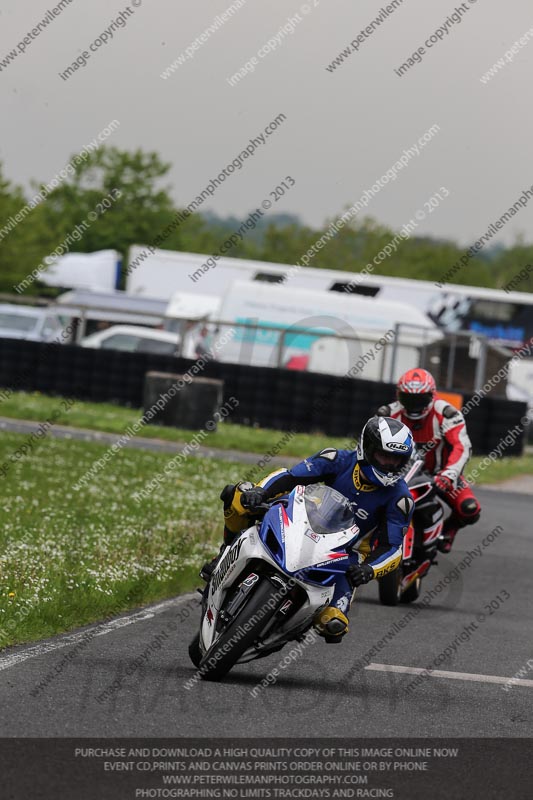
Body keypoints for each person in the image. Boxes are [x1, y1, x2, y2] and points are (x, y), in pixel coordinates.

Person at [201, 416, 415, 643]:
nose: (389, 465)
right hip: (304, 520)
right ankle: (225, 552)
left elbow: (393, 548)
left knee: (335, 623)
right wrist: (260, 492)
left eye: (396, 460)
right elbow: (291, 476)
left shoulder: (401, 499)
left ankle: (296, 624)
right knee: (237, 496)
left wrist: (368, 570)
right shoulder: (337, 459)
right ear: (366, 448)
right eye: (384, 456)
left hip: (346, 553)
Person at [376, 367, 481, 553]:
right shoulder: (386, 414)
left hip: (439, 476)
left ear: (432, 395)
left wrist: (448, 474)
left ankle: (448, 531)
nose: (414, 405)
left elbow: (461, 447)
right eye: (409, 399)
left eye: (420, 399)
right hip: (397, 476)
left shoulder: (448, 414)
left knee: (470, 509)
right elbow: (368, 444)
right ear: (398, 396)